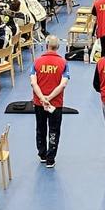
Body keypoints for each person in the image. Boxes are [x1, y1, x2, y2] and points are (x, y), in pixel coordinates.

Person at [31, 35, 69, 168]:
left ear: (47, 45)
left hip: (39, 103)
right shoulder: (63, 63)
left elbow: (33, 83)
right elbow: (63, 84)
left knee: (40, 127)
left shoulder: (37, 62)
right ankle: (50, 159)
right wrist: (50, 98)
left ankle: (42, 154)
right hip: (56, 103)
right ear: (57, 46)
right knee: (54, 129)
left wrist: (42, 98)